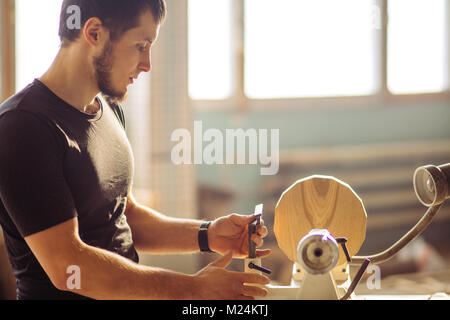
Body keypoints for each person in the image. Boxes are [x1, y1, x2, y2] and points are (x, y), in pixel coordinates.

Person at [0, 0, 270, 300]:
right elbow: (68, 268)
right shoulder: (22, 127)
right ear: (94, 33)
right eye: (141, 45)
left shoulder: (108, 110)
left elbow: (125, 217)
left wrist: (208, 234)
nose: (147, 65)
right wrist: (192, 288)